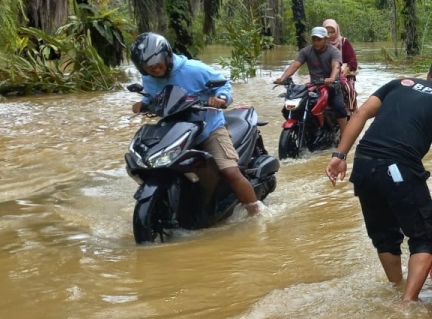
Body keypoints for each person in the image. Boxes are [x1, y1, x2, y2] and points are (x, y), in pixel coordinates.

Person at [326, 54, 432, 305]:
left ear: (430, 73)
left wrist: (340, 154)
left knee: (385, 235)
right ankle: (407, 303)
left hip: (364, 164)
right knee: (426, 239)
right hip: (398, 168)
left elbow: (360, 114)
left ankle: (395, 288)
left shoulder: (399, 83)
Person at [130, 33, 261, 216]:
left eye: (157, 64)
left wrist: (221, 98)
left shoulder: (193, 69)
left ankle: (256, 212)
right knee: (152, 164)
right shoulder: (149, 78)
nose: (154, 70)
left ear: (166, 56)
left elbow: (223, 85)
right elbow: (154, 97)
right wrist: (144, 103)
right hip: (174, 129)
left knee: (230, 172)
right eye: (148, 67)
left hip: (208, 127)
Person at [274, 26, 349, 135]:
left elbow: (336, 66)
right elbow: (295, 65)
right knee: (291, 107)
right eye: (314, 39)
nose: (316, 42)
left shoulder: (334, 52)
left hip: (333, 85)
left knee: (339, 107)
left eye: (319, 39)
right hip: (315, 86)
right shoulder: (306, 51)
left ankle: (344, 135)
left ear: (326, 39)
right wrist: (283, 78)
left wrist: (331, 78)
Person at [323, 19, 359, 113]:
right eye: (327, 32)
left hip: (345, 74)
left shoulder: (343, 42)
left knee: (349, 89)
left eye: (332, 32)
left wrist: (346, 69)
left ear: (337, 31)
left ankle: (354, 111)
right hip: (326, 74)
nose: (330, 35)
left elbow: (353, 61)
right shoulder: (321, 44)